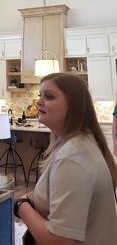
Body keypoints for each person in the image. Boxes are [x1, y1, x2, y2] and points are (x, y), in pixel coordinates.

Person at [14, 73, 117, 245]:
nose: (39, 102)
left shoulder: (71, 159)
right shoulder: (79, 143)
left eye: (49, 96)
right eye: (41, 96)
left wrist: (20, 206)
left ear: (73, 105)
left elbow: (60, 241)